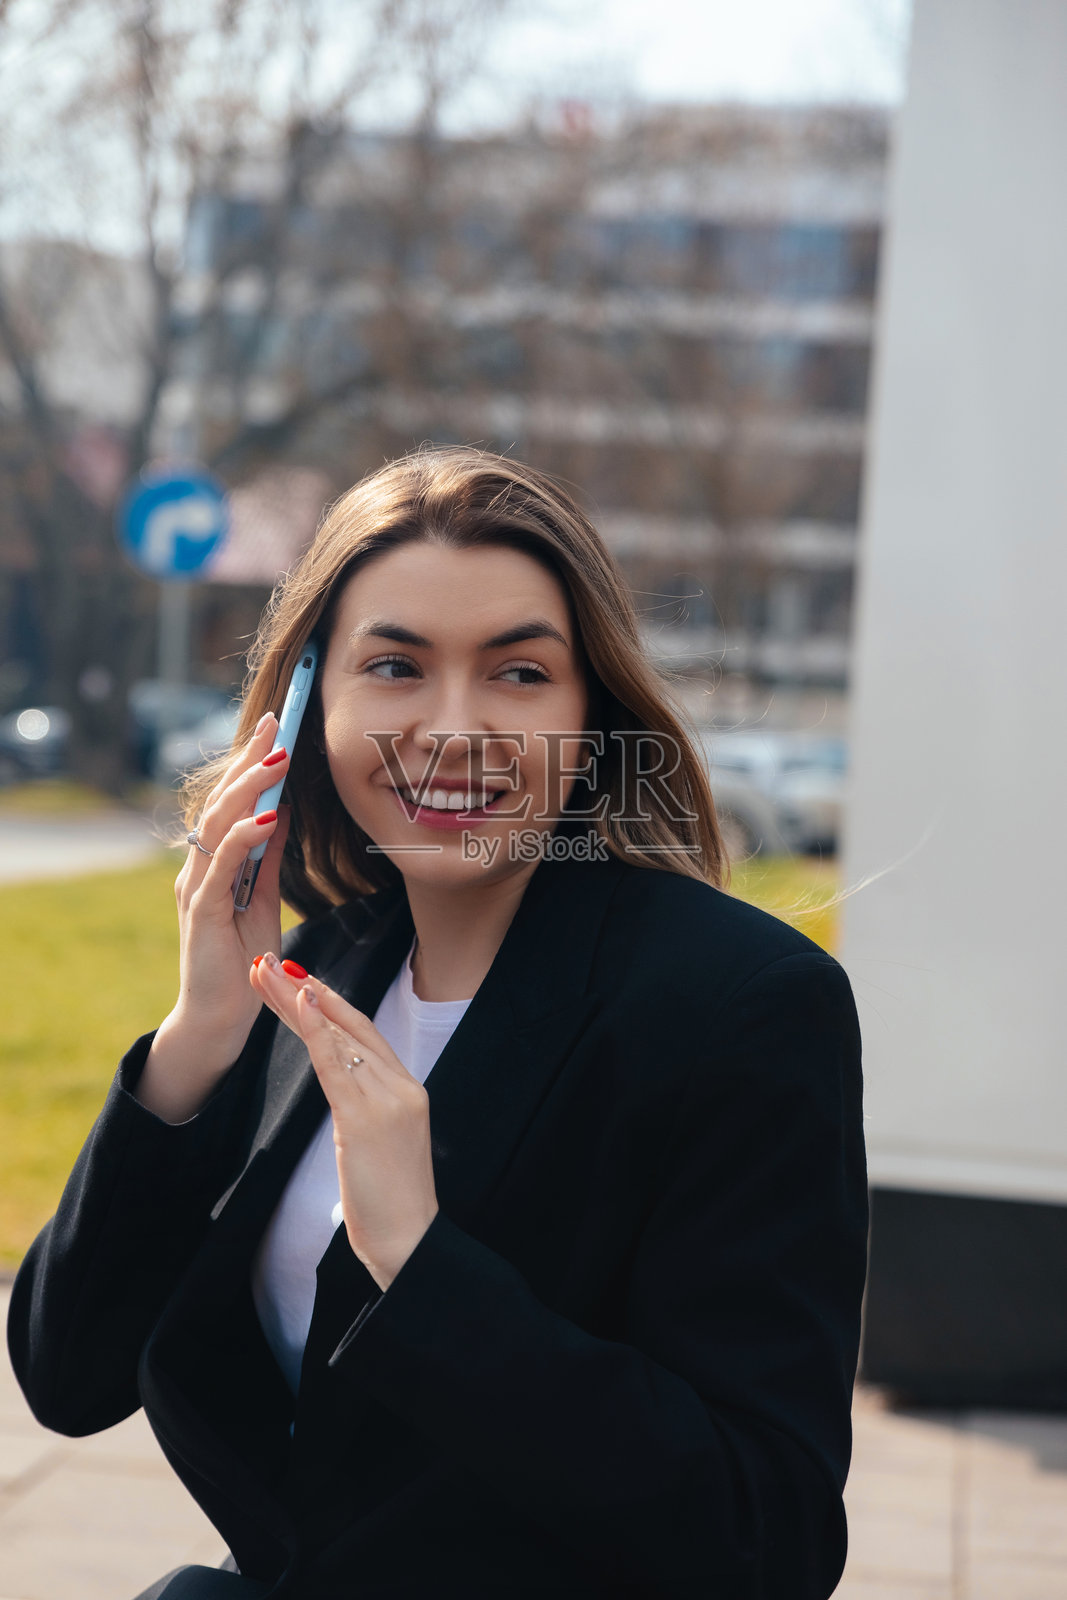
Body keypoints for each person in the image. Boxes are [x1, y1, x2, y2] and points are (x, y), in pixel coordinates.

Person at [7, 447, 867, 1600]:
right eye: (395, 666)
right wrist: (196, 1037)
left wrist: (417, 1264)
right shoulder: (314, 972)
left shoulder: (738, 1007)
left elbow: (769, 1536)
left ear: (591, 715)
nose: (452, 727)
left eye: (518, 673)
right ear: (308, 707)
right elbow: (69, 1377)